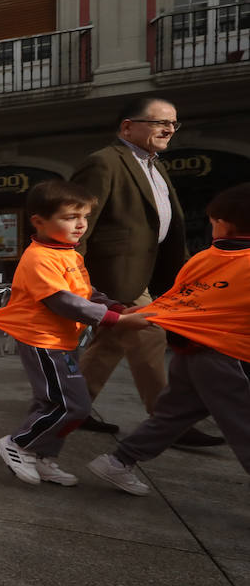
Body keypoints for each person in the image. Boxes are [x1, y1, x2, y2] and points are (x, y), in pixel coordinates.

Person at [72, 96, 221, 447]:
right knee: (149, 335)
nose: (169, 129)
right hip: (115, 275)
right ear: (128, 126)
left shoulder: (155, 165)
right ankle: (169, 422)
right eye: (159, 123)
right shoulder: (103, 163)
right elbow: (78, 225)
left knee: (109, 344)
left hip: (152, 273)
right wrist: (75, 277)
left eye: (173, 123)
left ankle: (72, 409)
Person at [0, 180, 152, 486]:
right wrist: (115, 319)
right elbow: (64, 301)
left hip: (62, 341)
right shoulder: (39, 258)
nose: (80, 224)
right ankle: (19, 444)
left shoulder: (69, 254)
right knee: (73, 406)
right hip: (43, 341)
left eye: (84, 216)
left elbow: (86, 292)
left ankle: (43, 457)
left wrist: (116, 306)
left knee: (49, 404)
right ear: (39, 221)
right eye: (70, 217)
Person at [88, 183, 250, 493]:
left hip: (189, 353)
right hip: (230, 357)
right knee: (243, 426)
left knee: (172, 416)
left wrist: (136, 316)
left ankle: (119, 460)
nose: (211, 227)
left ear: (223, 223)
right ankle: (119, 461)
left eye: (212, 221)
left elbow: (174, 299)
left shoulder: (202, 258)